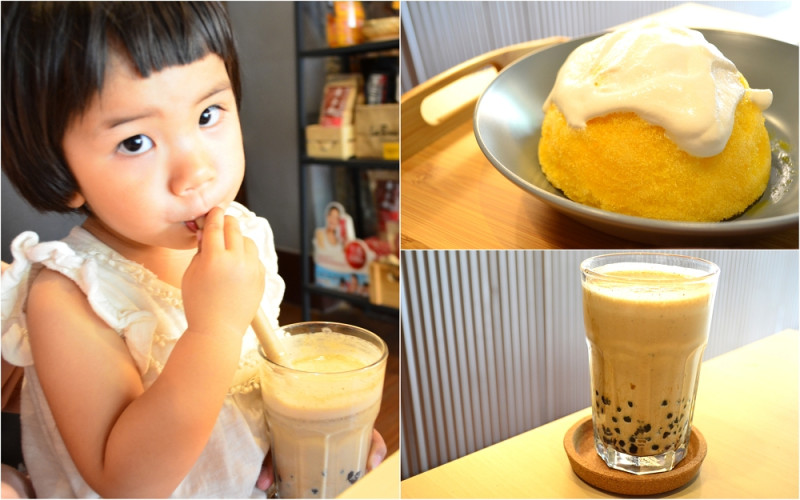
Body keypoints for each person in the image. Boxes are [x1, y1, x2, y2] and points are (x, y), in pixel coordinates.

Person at [0, 3, 385, 498]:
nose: (197, 172)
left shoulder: (245, 237)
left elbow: (250, 388)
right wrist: (214, 330)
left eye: (207, 114)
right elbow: (126, 480)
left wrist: (320, 431)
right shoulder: (68, 298)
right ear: (60, 170)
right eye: (136, 142)